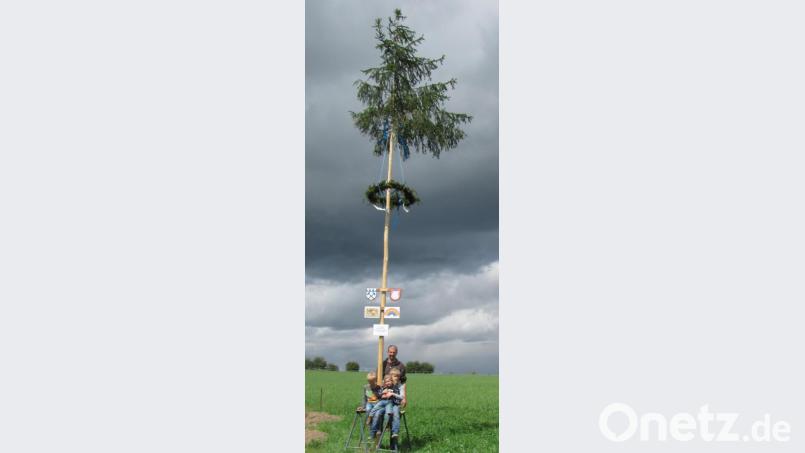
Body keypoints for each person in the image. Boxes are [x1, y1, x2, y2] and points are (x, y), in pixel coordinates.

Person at [368, 374, 400, 441]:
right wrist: (383, 393)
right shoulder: (382, 388)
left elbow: (398, 399)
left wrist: (391, 395)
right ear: (384, 383)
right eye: (386, 382)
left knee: (389, 413)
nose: (388, 383)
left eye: (389, 381)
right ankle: (373, 432)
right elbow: (378, 396)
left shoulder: (395, 388)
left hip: (390, 403)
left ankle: (389, 426)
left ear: (392, 381)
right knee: (376, 413)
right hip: (382, 403)